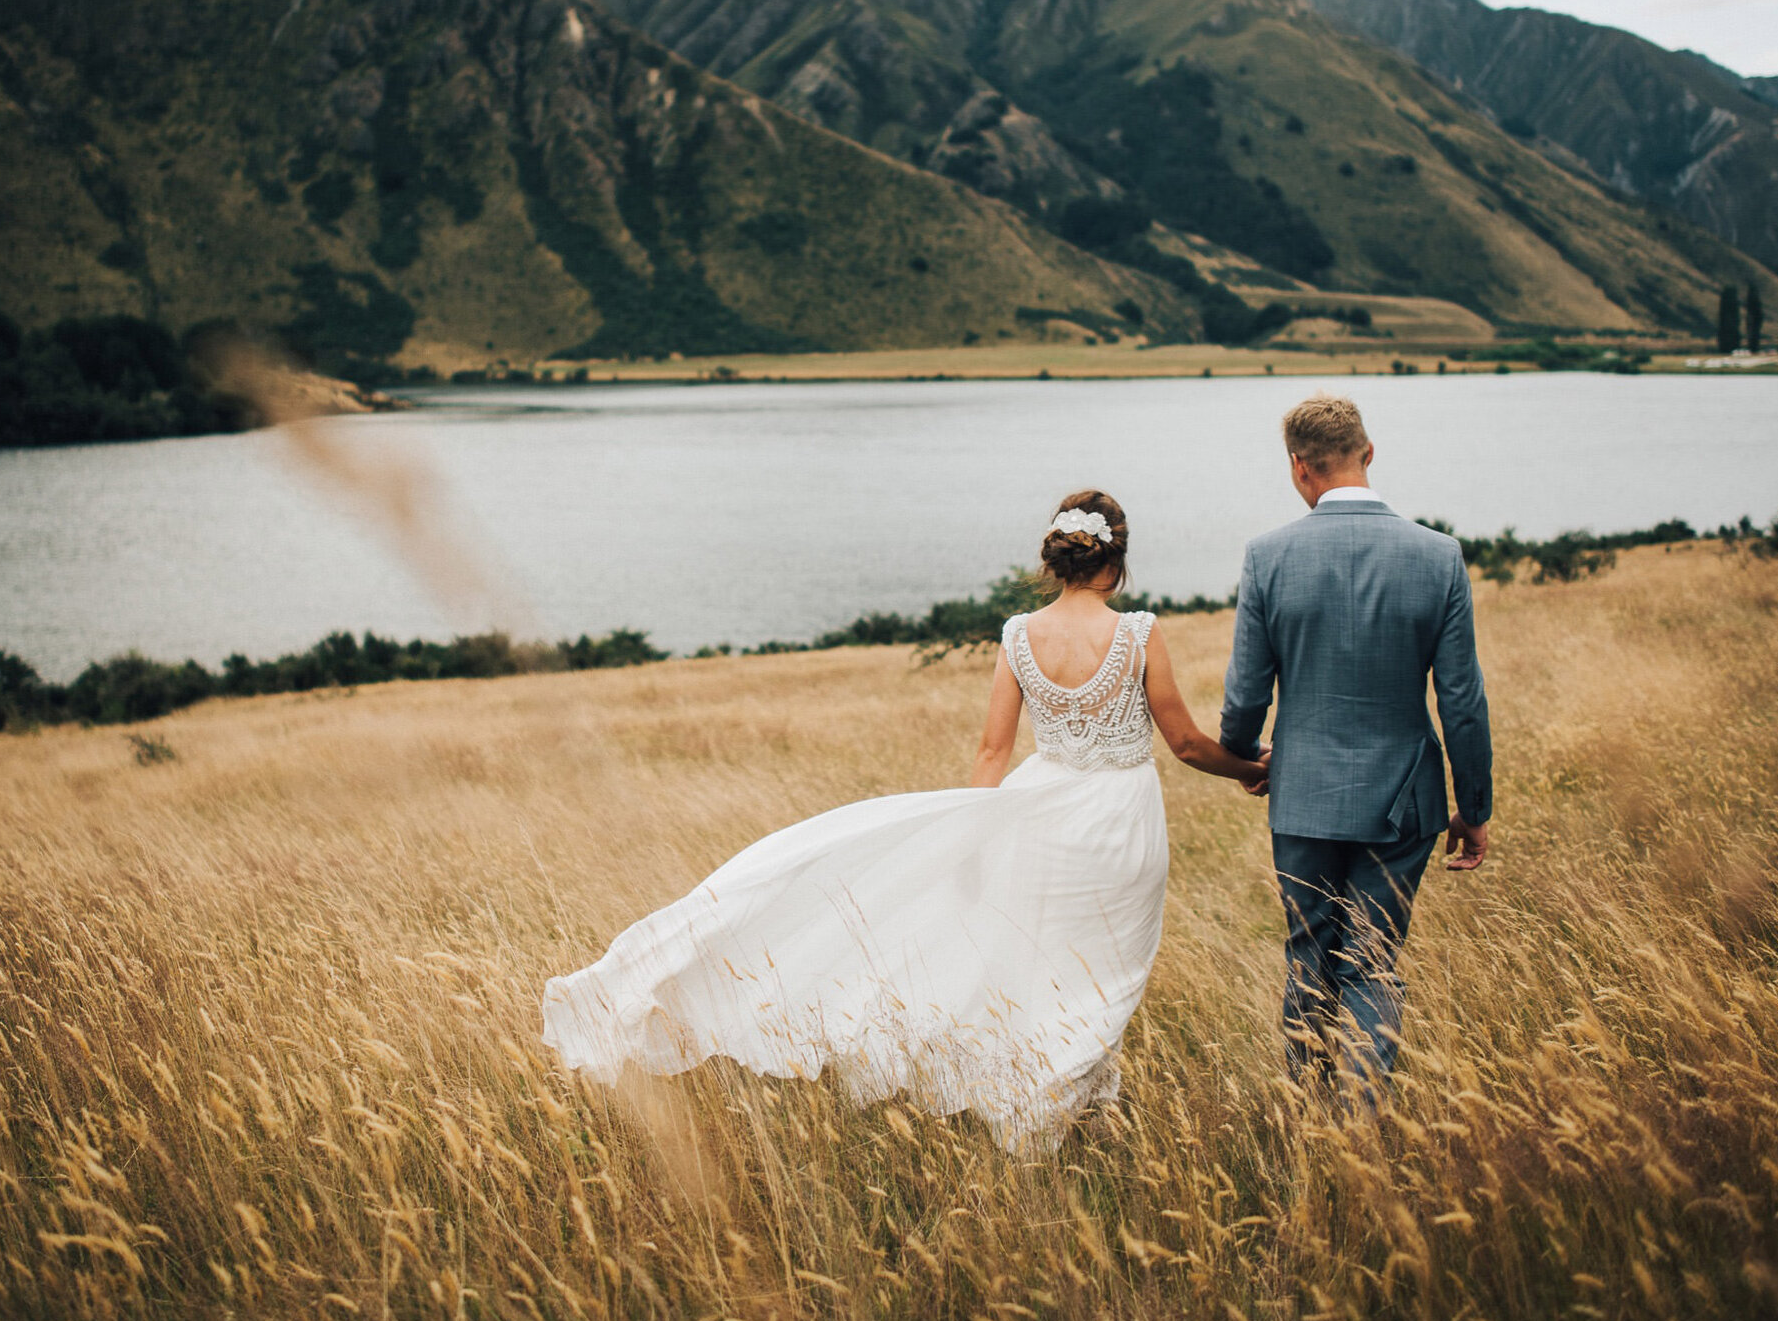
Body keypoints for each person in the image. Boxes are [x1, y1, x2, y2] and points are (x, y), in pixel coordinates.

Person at [542, 489, 1270, 1152]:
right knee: (1103, 971)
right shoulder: (1139, 633)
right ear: (1116, 560)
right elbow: (1183, 742)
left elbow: (992, 750)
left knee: (1048, 964)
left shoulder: (1020, 636)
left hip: (1039, 814)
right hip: (1120, 825)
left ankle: (1057, 1107)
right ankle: (1060, 1113)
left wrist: (973, 839)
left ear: (1057, 560)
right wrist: (1249, 767)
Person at [1221, 394, 1492, 1106]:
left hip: (1303, 796)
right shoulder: (1439, 557)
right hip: (1404, 800)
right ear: (1368, 455)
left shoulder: (1268, 557)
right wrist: (1474, 807)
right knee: (1371, 963)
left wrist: (1249, 756)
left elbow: (1246, 693)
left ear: (1297, 468)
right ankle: (1363, 1125)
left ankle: (1308, 1112)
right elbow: (1461, 700)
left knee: (1309, 954)